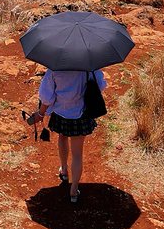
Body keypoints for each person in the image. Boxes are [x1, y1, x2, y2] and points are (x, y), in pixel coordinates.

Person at [26, 68, 107, 203]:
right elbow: (100, 85)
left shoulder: (54, 69)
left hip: (60, 112)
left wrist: (40, 114)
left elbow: (47, 96)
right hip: (81, 114)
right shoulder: (89, 66)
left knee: (62, 137)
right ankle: (74, 190)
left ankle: (64, 169)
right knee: (77, 153)